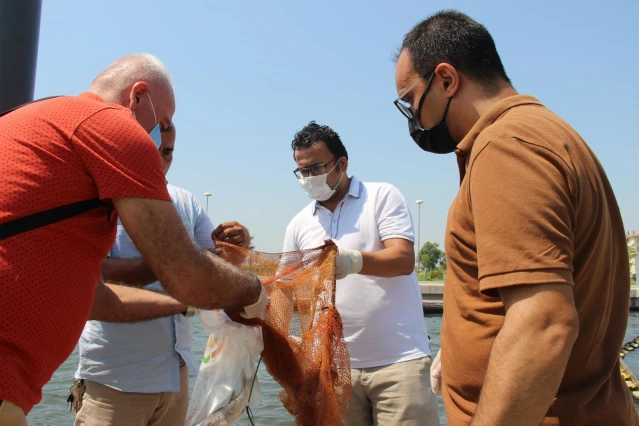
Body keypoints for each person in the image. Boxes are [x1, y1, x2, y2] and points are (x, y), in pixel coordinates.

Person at [394, 10, 639, 425]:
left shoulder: (507, 148)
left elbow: (543, 326)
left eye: (410, 101)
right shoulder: (546, 132)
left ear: (447, 79)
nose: (413, 120)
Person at [0, 53, 267, 425]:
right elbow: (186, 273)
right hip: (105, 376)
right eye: (163, 123)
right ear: (137, 96)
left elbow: (95, 297)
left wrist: (184, 300)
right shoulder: (110, 124)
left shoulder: (36, 121)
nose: (160, 140)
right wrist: (252, 291)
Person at [73, 125, 252, 426]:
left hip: (176, 377)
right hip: (115, 380)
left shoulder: (186, 202)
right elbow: (88, 274)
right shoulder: (99, 200)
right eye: (149, 149)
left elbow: (217, 266)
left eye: (167, 152)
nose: (158, 159)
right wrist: (168, 264)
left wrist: (240, 245)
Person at [283, 121, 439, 425]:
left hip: (399, 363)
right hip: (333, 371)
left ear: (342, 163)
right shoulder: (298, 225)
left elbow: (403, 259)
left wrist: (352, 261)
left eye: (316, 167)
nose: (309, 177)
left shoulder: (381, 196)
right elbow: (289, 291)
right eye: (302, 171)